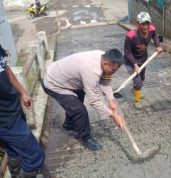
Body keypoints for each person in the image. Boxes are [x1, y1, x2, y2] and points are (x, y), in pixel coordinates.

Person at [41, 49, 126, 151]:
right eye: (113, 70)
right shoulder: (91, 71)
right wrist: (113, 116)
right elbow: (94, 101)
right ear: (105, 63)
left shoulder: (103, 56)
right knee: (79, 110)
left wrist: (111, 99)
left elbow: (106, 79)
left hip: (64, 78)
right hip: (53, 84)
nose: (114, 73)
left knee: (77, 99)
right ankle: (85, 137)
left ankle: (68, 124)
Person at [0, 44, 45, 177]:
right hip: (4, 120)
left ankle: (16, 171)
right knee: (35, 155)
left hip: (14, 108)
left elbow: (5, 68)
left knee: (13, 150)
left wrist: (23, 92)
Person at [124, 11, 163, 109]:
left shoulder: (152, 29)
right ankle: (137, 100)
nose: (145, 26)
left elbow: (155, 35)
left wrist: (158, 45)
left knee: (141, 78)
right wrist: (135, 65)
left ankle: (136, 89)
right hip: (131, 61)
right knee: (138, 81)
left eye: (147, 23)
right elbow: (127, 52)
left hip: (143, 59)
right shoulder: (131, 35)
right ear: (138, 24)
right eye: (142, 24)